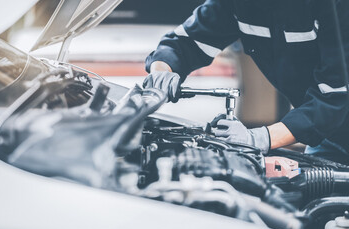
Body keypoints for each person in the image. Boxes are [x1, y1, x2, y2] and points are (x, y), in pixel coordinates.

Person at [143, 0, 349, 162]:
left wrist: (258, 139)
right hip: (328, 136)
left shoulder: (333, 4)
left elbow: (334, 97)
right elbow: (184, 43)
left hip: (333, 120)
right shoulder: (237, 3)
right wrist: (162, 70)